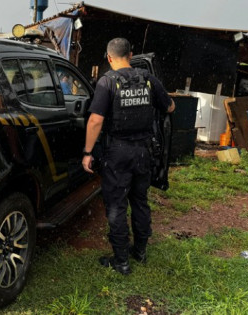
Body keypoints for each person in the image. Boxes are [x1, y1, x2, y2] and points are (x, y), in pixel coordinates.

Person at [82, 38, 175, 275]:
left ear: (109, 57)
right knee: (140, 201)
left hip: (117, 152)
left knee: (116, 205)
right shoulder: (148, 79)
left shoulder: (107, 82)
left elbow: (95, 120)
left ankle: (121, 261)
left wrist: (87, 152)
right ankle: (140, 251)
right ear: (131, 55)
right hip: (144, 151)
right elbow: (171, 107)